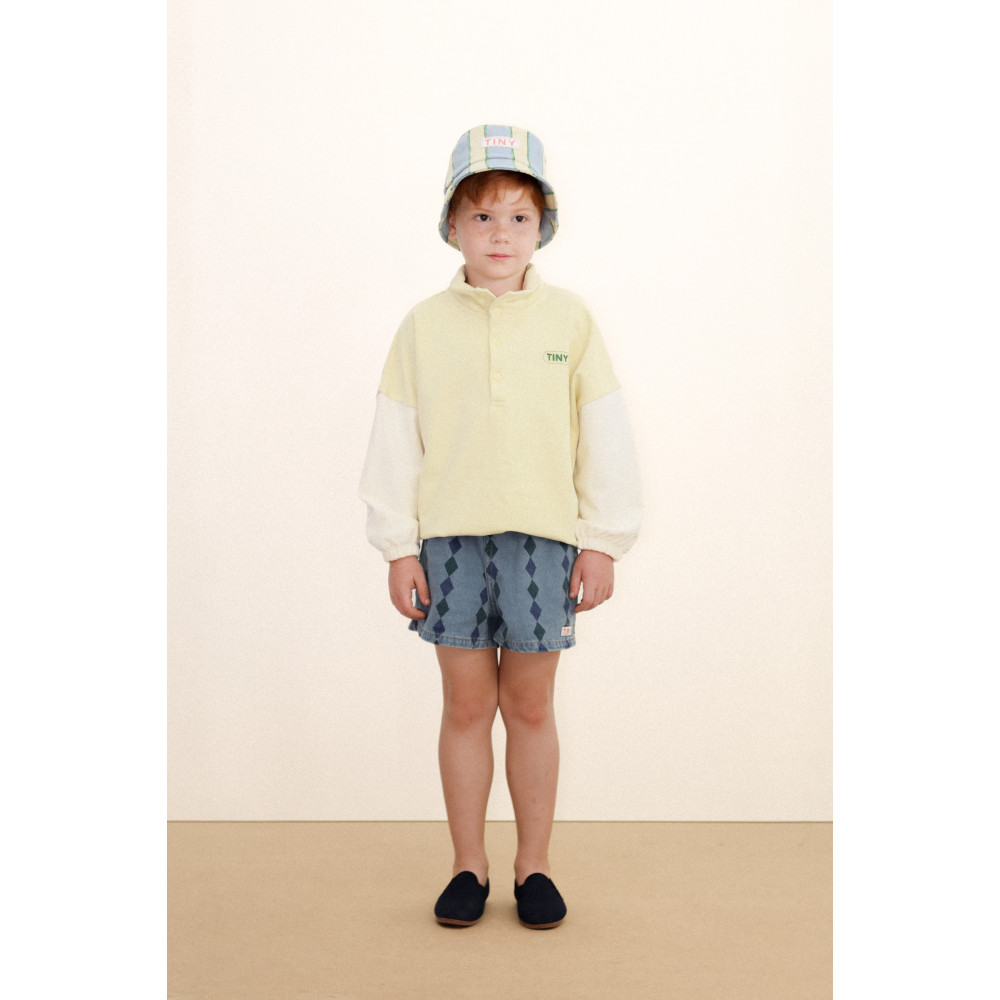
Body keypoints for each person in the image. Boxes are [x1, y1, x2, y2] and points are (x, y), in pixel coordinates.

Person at [359, 124, 642, 929]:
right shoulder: (422, 326)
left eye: (518, 217)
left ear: (542, 227)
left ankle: (534, 866)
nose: (500, 234)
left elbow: (604, 435)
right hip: (448, 542)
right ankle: (468, 866)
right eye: (482, 216)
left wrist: (602, 540)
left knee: (531, 708)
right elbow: (394, 439)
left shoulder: (570, 321)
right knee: (463, 707)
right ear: (452, 224)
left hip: (544, 543)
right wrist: (398, 547)